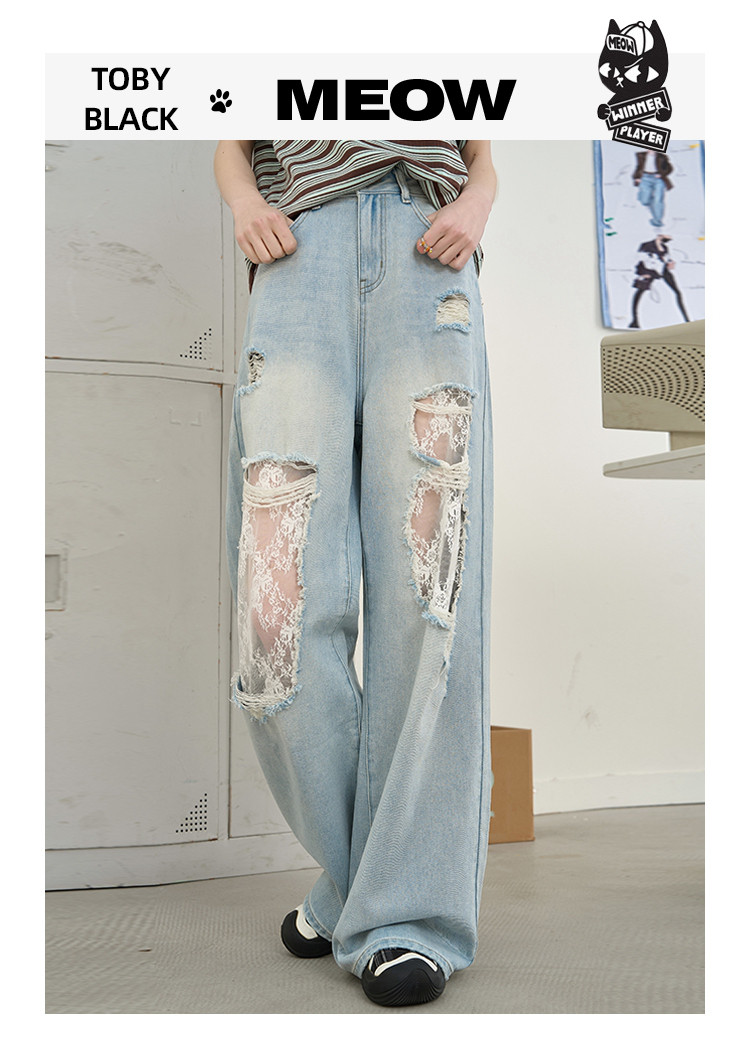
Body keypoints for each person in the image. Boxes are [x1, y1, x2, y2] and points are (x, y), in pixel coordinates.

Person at [214, 140, 497, 1007]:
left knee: (430, 596)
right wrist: (244, 203)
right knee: (275, 618)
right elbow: (232, 140)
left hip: (426, 263)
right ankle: (356, 887)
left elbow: (480, 150)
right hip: (297, 263)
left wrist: (476, 204)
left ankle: (409, 917)